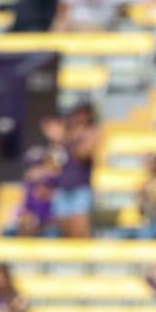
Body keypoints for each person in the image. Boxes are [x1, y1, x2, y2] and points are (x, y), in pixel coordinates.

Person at [48, 102, 99, 239]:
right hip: (64, 187)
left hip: (80, 188)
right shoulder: (67, 135)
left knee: (81, 232)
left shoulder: (91, 133)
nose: (79, 117)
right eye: (77, 114)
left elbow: (83, 154)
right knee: (65, 233)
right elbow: (54, 163)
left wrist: (69, 137)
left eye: (83, 114)